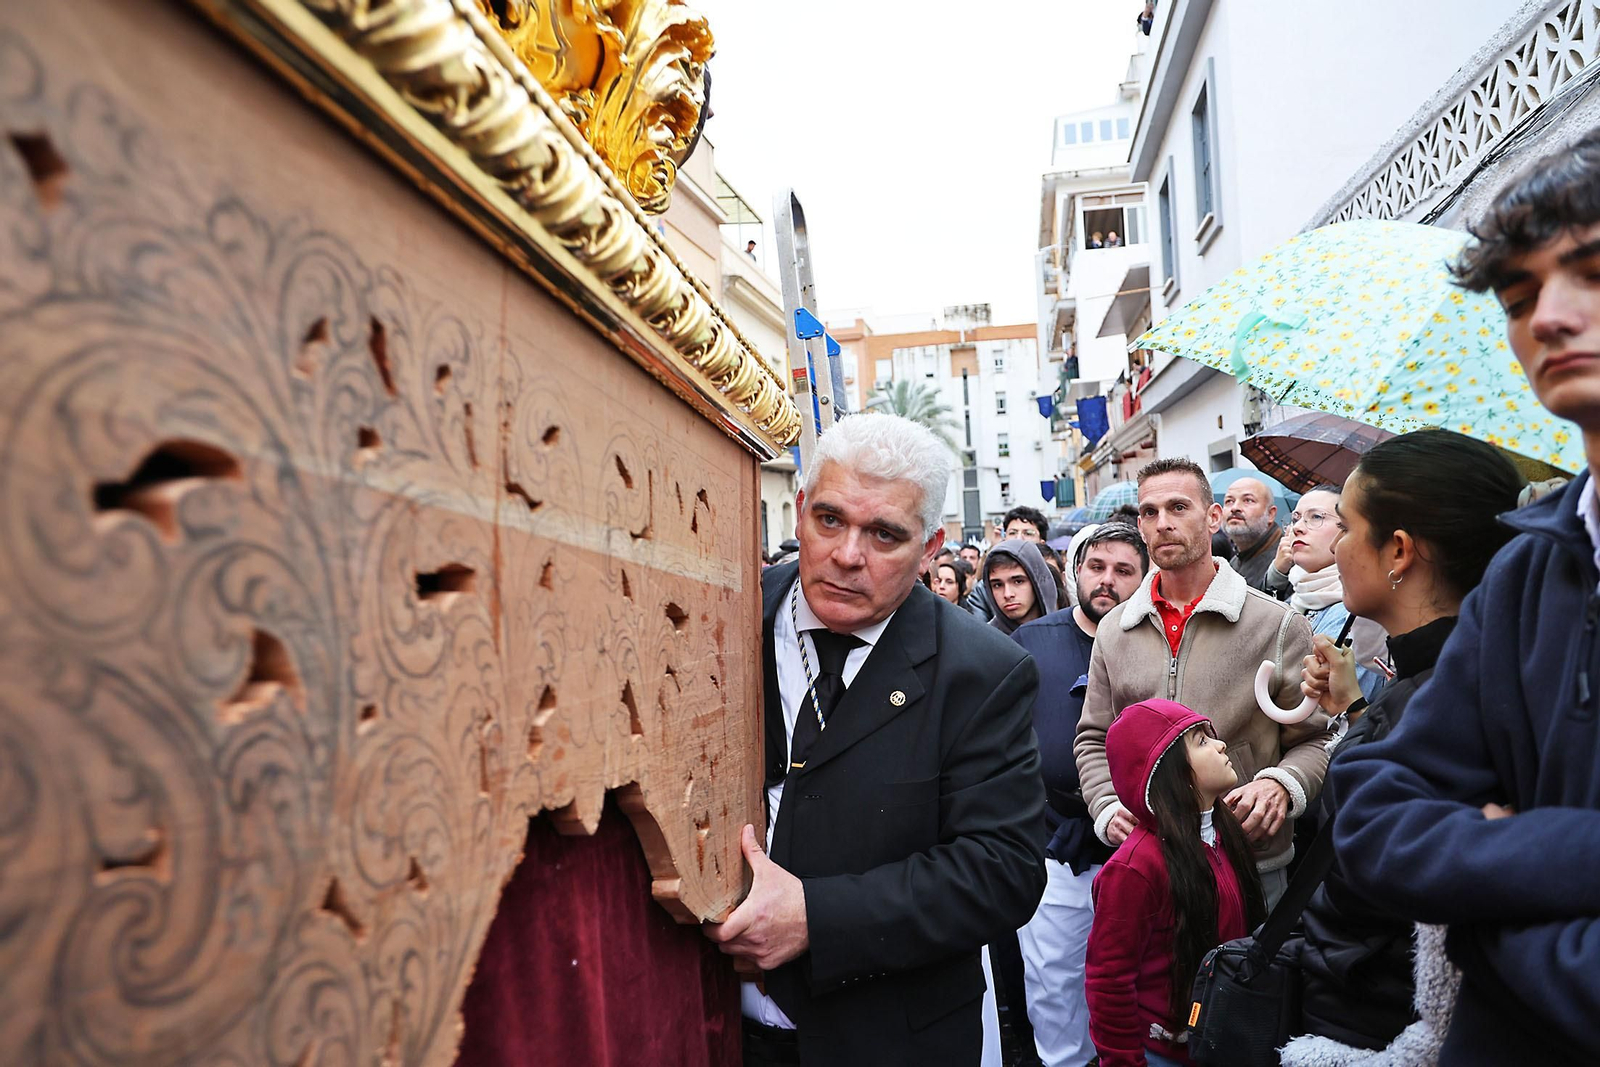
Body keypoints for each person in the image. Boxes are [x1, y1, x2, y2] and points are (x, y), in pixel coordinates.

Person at [1329, 128, 1600, 1065]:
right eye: (1520, 296)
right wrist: (1570, 857)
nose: (1551, 318)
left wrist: (1483, 923)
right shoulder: (1530, 571)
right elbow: (1370, 813)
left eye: (1592, 274)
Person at [712, 412, 1047, 1067]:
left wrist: (818, 916)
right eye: (829, 519)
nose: (847, 553)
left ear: (930, 549)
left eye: (884, 533)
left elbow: (1003, 869)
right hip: (708, 1028)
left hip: (887, 1041)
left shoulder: (982, 670)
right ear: (800, 509)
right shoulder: (724, 611)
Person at [1274, 431, 1522, 1062]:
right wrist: (1356, 709)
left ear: (1400, 551)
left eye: (1349, 526)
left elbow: (1381, 866)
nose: (1335, 545)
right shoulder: (1460, 674)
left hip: (1372, 1025)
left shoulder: (1451, 700)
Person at [1075, 457, 1326, 909]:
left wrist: (1282, 784)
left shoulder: (1277, 624)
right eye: (1150, 512)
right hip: (1150, 868)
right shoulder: (1114, 629)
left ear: (1212, 518)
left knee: (1245, 981)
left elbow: (1318, 738)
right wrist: (1107, 807)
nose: (1163, 523)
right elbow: (1094, 737)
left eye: (1178, 508)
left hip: (1249, 865)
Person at [1013, 522, 1150, 1066]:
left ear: (1144, 580)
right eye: (1097, 567)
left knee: (1136, 991)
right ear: (1076, 571)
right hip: (1053, 853)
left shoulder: (1158, 642)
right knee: (1055, 993)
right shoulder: (1030, 644)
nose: (1107, 582)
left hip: (1144, 854)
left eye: (1123, 571)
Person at [1085, 699, 1266, 1067]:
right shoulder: (1134, 868)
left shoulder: (1222, 832)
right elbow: (1109, 981)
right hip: (1164, 1054)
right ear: (1170, 773)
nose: (1219, 745)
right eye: (1200, 741)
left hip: (1222, 1038)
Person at [1283, 484, 1382, 702]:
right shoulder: (1295, 597)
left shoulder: (1357, 613)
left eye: (1316, 517)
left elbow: (1326, 711)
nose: (1298, 527)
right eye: (1295, 518)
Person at [1220, 476, 1286, 594]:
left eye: (1248, 500)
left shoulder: (1287, 559)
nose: (1235, 508)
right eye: (1229, 501)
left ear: (1270, 514)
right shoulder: (1234, 563)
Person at [984, 538, 1057, 636]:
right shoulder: (985, 641)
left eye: (1018, 582)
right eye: (997, 585)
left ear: (1036, 581)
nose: (1008, 594)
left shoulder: (1067, 632)